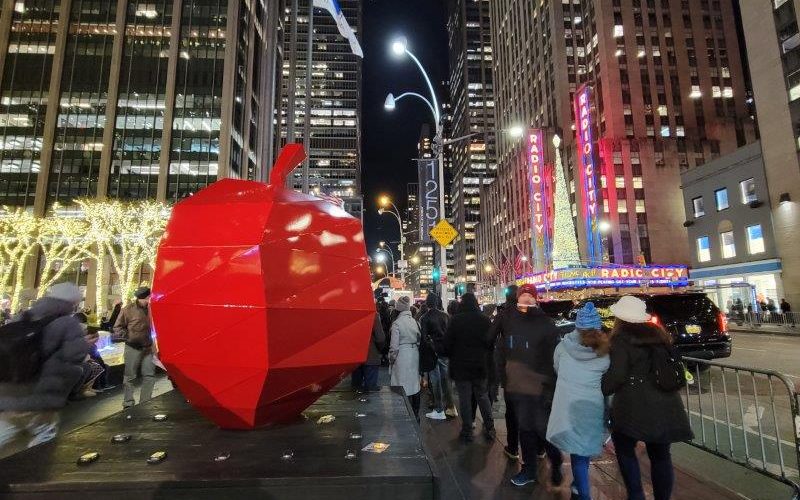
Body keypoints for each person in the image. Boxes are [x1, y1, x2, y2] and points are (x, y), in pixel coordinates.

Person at [602, 296, 693, 500]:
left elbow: (616, 376)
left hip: (633, 406)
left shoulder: (620, 340)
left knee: (625, 450)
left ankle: (636, 495)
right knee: (661, 455)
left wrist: (602, 388)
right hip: (666, 404)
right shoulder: (660, 336)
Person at [0, 283, 89, 458]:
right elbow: (76, 355)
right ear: (72, 303)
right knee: (44, 436)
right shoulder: (68, 323)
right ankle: (32, 476)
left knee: (6, 431)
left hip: (10, 392)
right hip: (42, 394)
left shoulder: (22, 317)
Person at [492, 283, 563, 487]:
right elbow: (505, 352)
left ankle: (549, 462)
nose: (524, 301)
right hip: (522, 386)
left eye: (527, 297)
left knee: (537, 429)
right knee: (529, 430)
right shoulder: (515, 321)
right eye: (522, 297)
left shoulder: (544, 324)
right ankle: (532, 468)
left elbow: (553, 358)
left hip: (538, 387)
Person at [547, 302, 610, 500]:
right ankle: (580, 489)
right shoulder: (605, 352)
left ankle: (582, 493)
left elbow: (557, 368)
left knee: (577, 453)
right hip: (592, 406)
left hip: (569, 405)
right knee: (584, 451)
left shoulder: (562, 348)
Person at [442, 293, 496, 442]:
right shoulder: (484, 320)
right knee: (482, 396)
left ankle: (467, 430)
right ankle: (490, 427)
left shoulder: (456, 321)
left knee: (465, 399)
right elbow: (490, 343)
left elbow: (447, 343)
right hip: (480, 365)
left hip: (461, 367)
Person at [492, 285, 520, 461]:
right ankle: (540, 448)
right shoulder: (532, 313)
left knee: (512, 410)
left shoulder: (503, 315)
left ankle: (513, 447)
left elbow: (490, 336)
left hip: (509, 368)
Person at [115, 287, 155, 409]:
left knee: (149, 376)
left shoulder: (152, 309)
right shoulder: (127, 309)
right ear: (145, 298)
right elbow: (117, 327)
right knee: (129, 377)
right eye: (149, 298)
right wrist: (128, 337)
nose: (150, 300)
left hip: (148, 347)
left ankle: (145, 401)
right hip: (132, 346)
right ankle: (128, 403)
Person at [420, 293, 456, 420]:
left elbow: (424, 338)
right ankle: (451, 407)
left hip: (433, 352)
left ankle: (439, 409)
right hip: (446, 351)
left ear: (427, 303)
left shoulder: (425, 317)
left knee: (435, 381)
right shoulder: (446, 316)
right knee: (447, 380)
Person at [389, 296, 422, 420]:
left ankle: (405, 415)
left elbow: (394, 347)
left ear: (398, 309)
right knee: (414, 385)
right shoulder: (414, 321)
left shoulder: (397, 323)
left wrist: (391, 359)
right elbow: (420, 339)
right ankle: (416, 414)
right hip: (414, 355)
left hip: (401, 356)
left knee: (402, 386)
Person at [351, 307, 386, 392]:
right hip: (371, 355)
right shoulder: (373, 315)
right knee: (371, 392)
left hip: (354, 357)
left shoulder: (351, 313)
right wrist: (378, 349)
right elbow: (380, 338)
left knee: (355, 390)